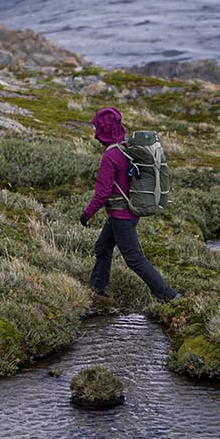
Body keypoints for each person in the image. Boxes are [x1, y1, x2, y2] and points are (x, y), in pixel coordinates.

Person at [80, 107, 179, 302]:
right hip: (126, 213)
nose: (95, 132)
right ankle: (96, 289)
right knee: (103, 247)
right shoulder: (126, 147)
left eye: (97, 128)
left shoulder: (110, 156)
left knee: (134, 259)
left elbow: (103, 193)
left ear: (103, 130)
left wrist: (86, 214)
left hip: (121, 216)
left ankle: (169, 296)